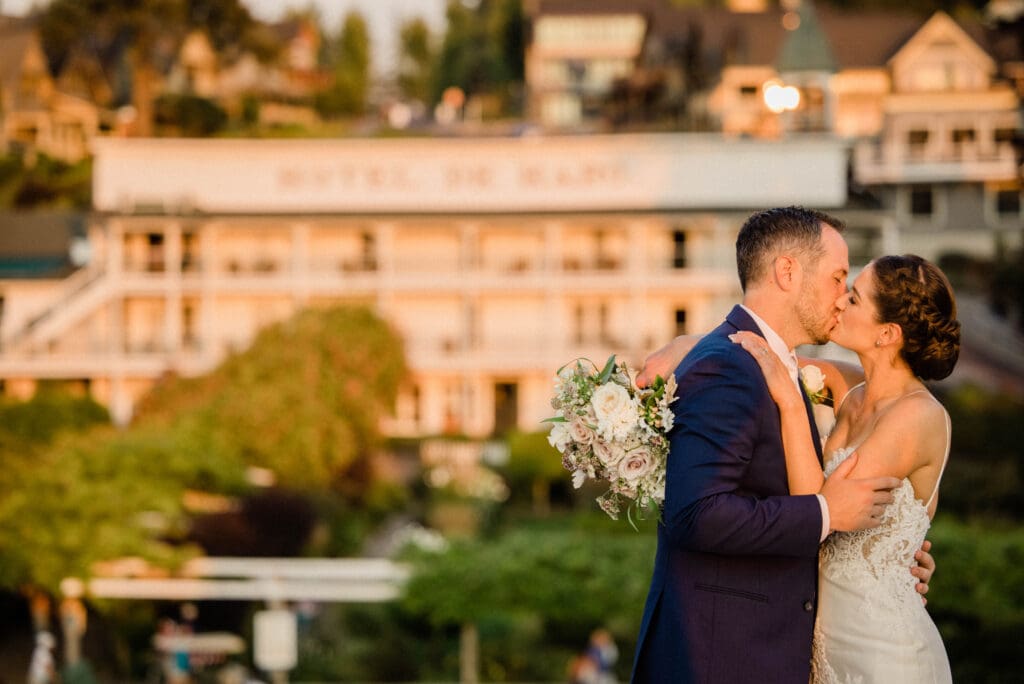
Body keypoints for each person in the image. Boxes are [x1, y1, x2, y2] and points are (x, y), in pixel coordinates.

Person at [629, 207, 934, 683]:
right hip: (721, 658)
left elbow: (895, 397)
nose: (840, 298)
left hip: (790, 646)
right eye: (837, 279)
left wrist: (893, 555)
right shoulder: (729, 367)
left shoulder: (778, 364)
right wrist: (825, 513)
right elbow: (695, 514)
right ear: (788, 271)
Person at [730, 253, 957, 682]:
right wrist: (679, 347)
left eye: (853, 298)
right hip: (823, 640)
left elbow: (819, 507)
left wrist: (791, 401)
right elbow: (756, 355)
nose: (838, 302)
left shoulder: (917, 417)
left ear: (887, 333)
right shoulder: (851, 391)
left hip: (883, 650)